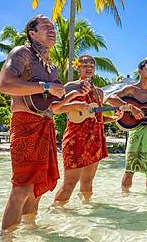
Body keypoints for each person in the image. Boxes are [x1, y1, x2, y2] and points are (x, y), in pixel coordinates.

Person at [0, 15, 89, 233]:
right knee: (21, 187)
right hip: (24, 125)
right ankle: (5, 238)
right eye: (45, 27)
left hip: (44, 125)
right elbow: (6, 84)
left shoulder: (52, 68)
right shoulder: (22, 53)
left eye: (53, 27)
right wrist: (47, 86)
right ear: (32, 33)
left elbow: (51, 107)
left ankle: (30, 230)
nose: (52, 30)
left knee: (36, 188)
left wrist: (72, 94)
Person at [54, 55, 125, 204]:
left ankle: (87, 210)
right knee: (69, 184)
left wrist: (113, 118)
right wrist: (75, 105)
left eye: (91, 66)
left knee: (88, 182)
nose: (89, 68)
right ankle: (56, 213)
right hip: (75, 139)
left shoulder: (99, 92)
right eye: (85, 65)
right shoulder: (70, 87)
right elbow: (56, 109)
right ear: (78, 68)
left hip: (95, 140)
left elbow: (97, 117)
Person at [106, 60, 147, 193]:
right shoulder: (131, 89)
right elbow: (110, 98)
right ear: (140, 71)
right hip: (135, 131)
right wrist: (131, 108)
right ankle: (125, 196)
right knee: (130, 166)